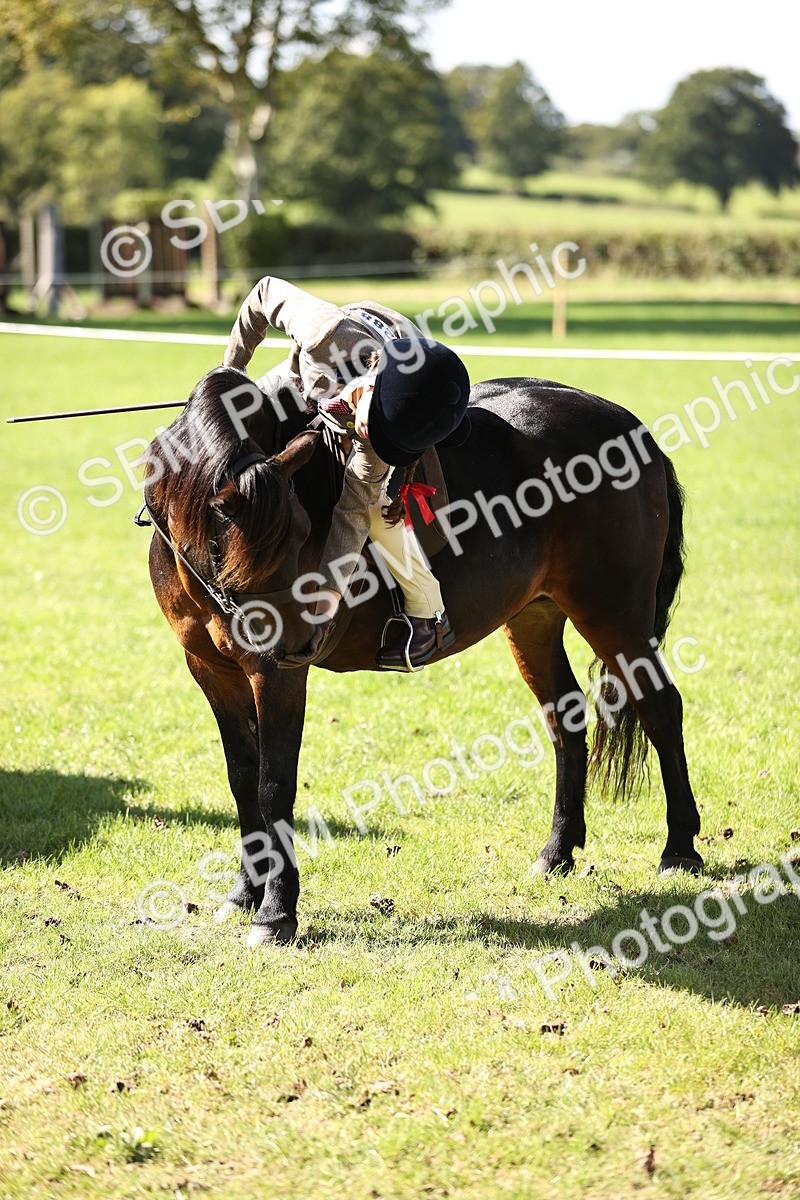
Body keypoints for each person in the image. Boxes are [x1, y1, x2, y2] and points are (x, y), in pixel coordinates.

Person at [222, 276, 470, 670]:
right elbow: (264, 293)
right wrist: (230, 374)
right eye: (380, 431)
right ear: (371, 390)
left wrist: (326, 600)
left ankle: (429, 613)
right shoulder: (323, 332)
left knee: (378, 512)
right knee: (229, 417)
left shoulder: (375, 444)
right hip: (313, 374)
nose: (378, 442)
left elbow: (352, 512)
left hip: (405, 373)